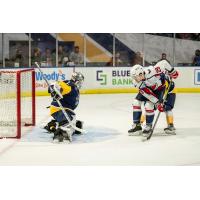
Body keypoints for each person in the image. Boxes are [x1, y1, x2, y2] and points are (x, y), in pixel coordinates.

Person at [128, 60, 179, 137]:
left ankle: (148, 126)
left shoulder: (151, 71)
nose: (134, 79)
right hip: (150, 91)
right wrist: (157, 103)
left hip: (160, 89)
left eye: (135, 77)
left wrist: (173, 71)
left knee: (149, 105)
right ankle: (137, 126)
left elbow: (164, 63)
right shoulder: (136, 82)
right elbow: (148, 93)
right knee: (136, 102)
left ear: (141, 73)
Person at [44, 72, 84, 142]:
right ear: (77, 81)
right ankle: (60, 134)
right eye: (80, 81)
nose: (81, 84)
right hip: (59, 109)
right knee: (67, 122)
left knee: (72, 121)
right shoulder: (71, 85)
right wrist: (54, 89)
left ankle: (53, 124)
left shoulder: (74, 88)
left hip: (66, 110)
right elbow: (60, 85)